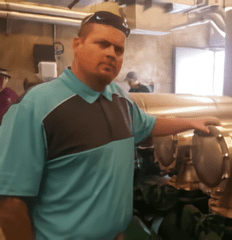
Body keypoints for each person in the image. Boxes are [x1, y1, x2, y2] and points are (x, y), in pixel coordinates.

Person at [0, 11, 220, 240]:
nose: (111, 54)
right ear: (77, 45)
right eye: (102, 44)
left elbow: (149, 124)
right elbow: (9, 204)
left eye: (118, 49)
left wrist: (190, 122)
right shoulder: (35, 106)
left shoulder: (121, 97)